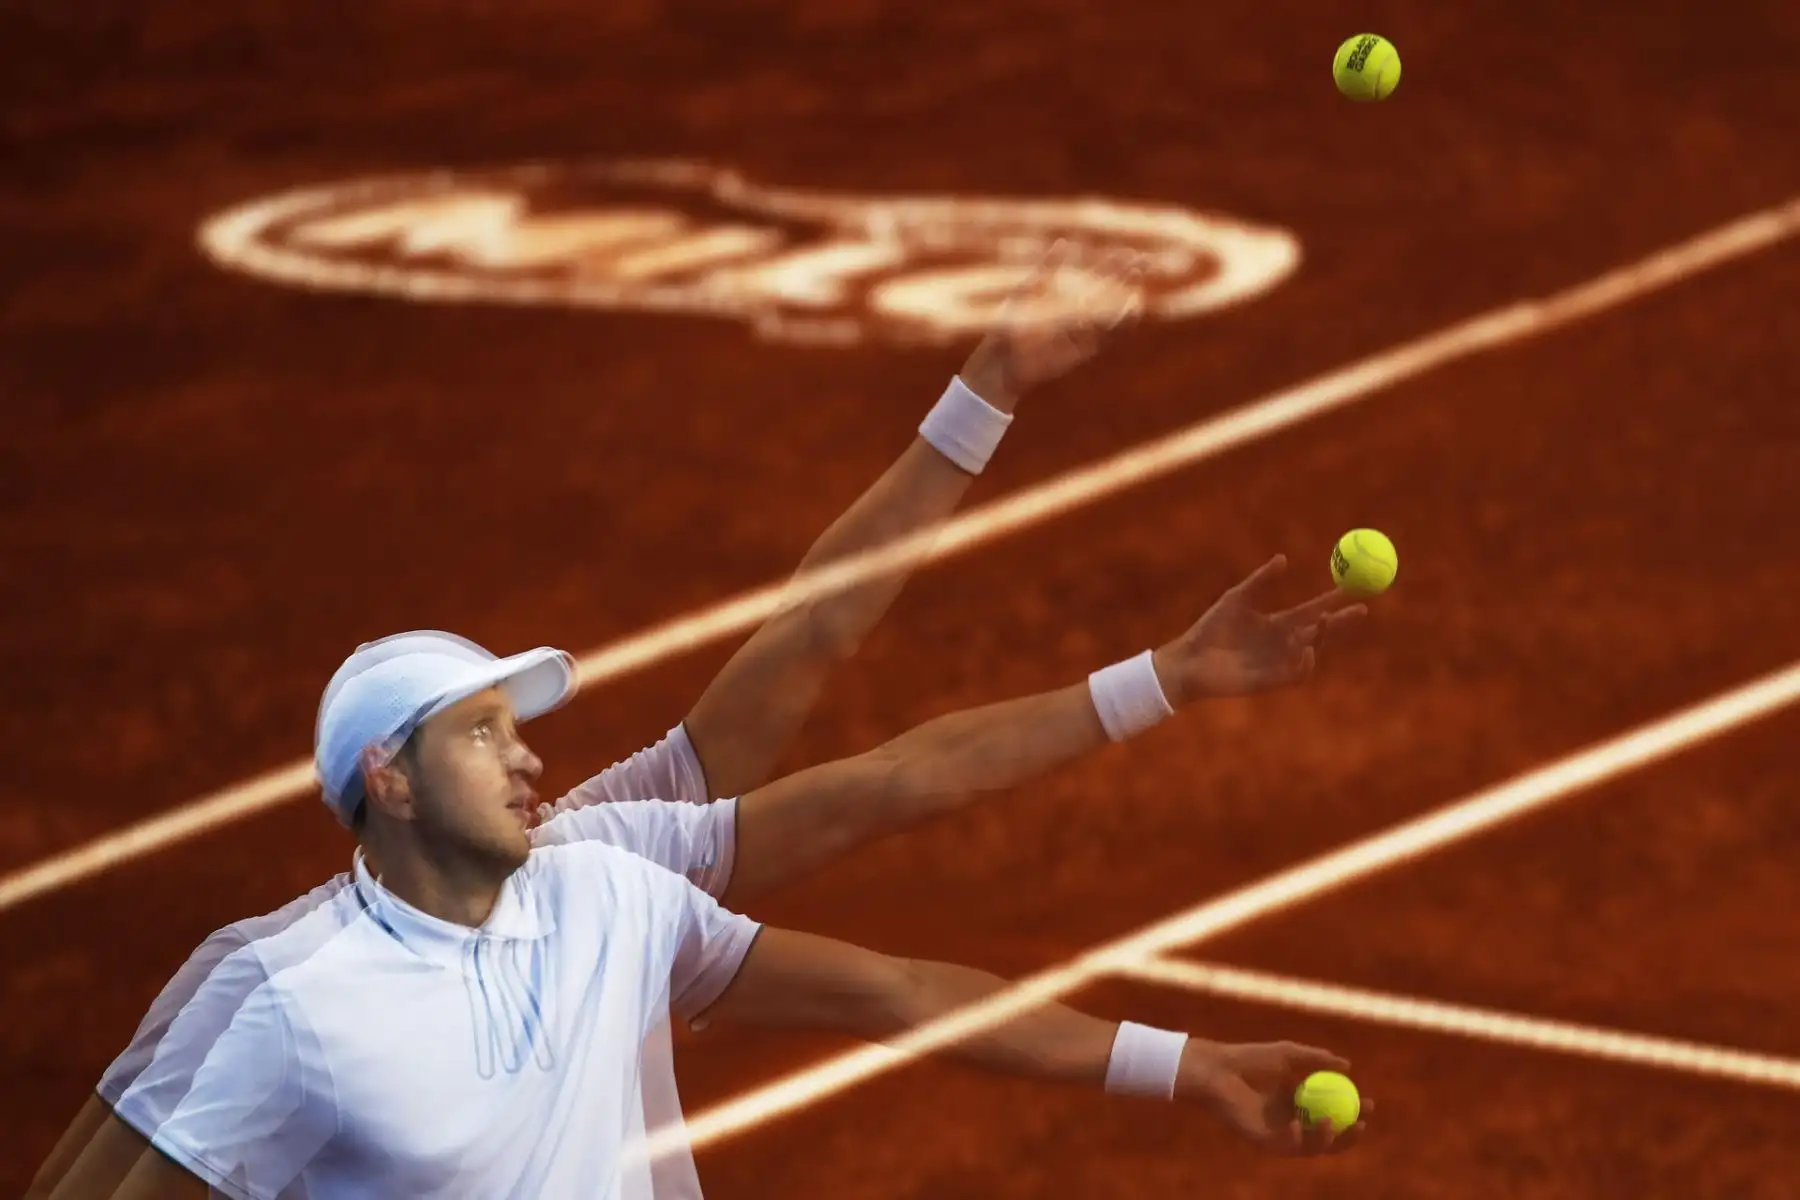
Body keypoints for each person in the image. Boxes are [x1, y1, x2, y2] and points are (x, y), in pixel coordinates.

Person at [103, 579, 1369, 1197]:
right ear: (388, 779)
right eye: (482, 734)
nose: (530, 753)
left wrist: (1183, 1062)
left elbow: (899, 990)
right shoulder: (288, 996)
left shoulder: (606, 891)